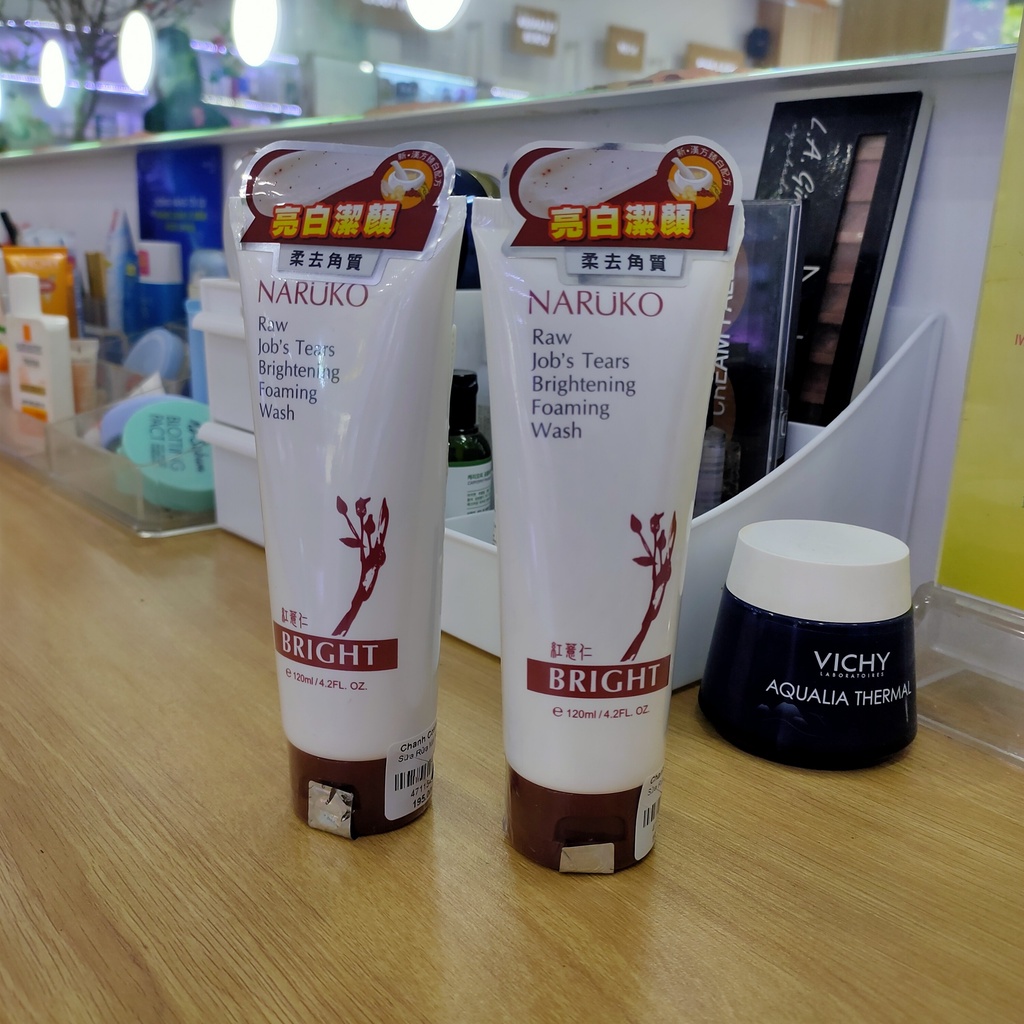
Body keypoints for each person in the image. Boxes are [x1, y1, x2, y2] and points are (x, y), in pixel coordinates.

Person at [144, 27, 229, 133]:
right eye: (167, 71)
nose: (175, 80)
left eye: (179, 68)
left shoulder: (215, 121)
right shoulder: (153, 119)